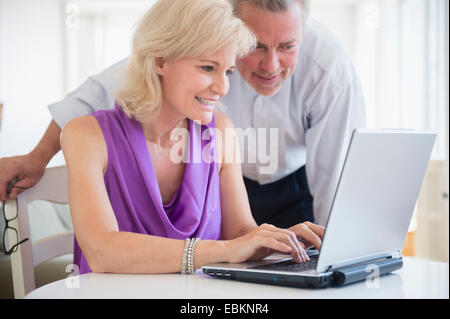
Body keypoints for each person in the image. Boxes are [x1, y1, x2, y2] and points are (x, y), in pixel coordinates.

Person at [0, 0, 366, 227]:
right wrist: (37, 157)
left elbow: (337, 175)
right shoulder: (208, 42)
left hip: (293, 186)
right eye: (254, 46)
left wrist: (339, 259)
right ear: (234, 27)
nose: (271, 65)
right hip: (218, 184)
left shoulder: (328, 70)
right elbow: (93, 94)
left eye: (287, 46)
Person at [59, 0, 324, 274]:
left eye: (228, 71)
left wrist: (272, 241)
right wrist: (222, 251)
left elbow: (240, 232)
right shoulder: (86, 136)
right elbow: (103, 252)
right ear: (161, 61)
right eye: (208, 68)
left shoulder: (221, 131)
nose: (222, 88)